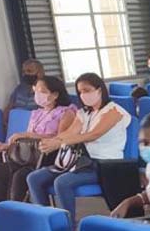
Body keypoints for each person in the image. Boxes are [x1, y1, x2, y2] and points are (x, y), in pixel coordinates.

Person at [27, 73, 132, 222]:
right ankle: (46, 220)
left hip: (105, 164)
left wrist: (59, 142)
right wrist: (54, 141)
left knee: (62, 182)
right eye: (80, 92)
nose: (83, 95)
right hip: (81, 162)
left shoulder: (114, 111)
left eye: (87, 90)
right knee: (34, 178)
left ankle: (68, 225)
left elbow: (93, 135)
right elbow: (69, 133)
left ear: (100, 90)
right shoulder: (83, 113)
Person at [0, 76, 76, 203]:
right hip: (29, 156)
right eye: (36, 91)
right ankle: (2, 209)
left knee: (20, 175)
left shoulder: (66, 112)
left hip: (49, 156)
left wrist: (28, 135)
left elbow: (59, 139)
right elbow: (26, 141)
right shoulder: (37, 113)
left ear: (55, 94)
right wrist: (5, 146)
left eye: (42, 91)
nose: (37, 95)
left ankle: (20, 212)